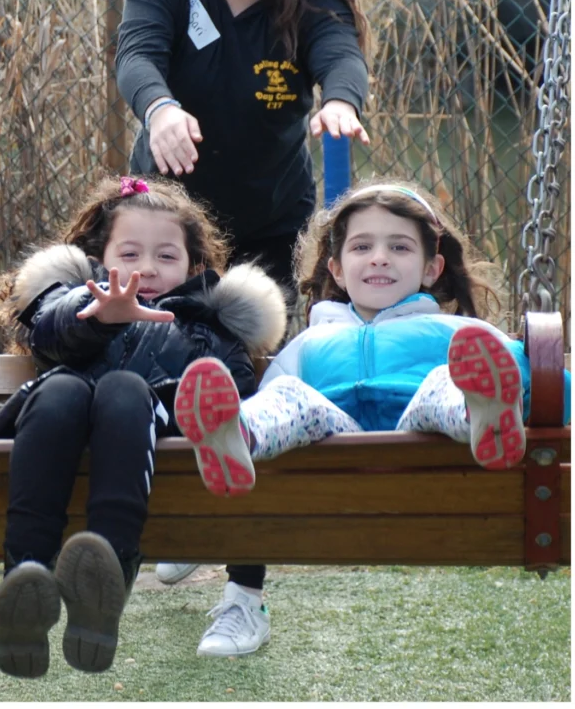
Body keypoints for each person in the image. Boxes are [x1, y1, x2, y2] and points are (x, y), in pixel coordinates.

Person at [0, 175, 287, 675]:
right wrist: (98, 315)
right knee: (61, 389)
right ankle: (25, 578)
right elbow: (48, 335)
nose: (147, 268)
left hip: (150, 440)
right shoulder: (74, 301)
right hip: (54, 432)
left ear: (194, 265)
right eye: (129, 255)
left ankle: (105, 577)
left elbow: (228, 397)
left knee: (124, 390)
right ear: (97, 260)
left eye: (166, 256)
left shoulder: (206, 326)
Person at [175, 180, 572, 498]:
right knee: (290, 394)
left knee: (442, 384)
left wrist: (522, 390)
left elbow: (550, 385)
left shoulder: (458, 334)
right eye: (362, 246)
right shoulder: (311, 342)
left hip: (422, 433)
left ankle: (483, 416)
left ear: (431, 269)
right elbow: (272, 396)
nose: (379, 257)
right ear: (338, 270)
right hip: (332, 436)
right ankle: (236, 435)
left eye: (399, 247)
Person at [115, 0, 371, 298]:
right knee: (166, 331)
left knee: (249, 334)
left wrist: (340, 100)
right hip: (166, 221)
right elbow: (136, 56)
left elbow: (341, 55)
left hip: (272, 223)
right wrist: (160, 109)